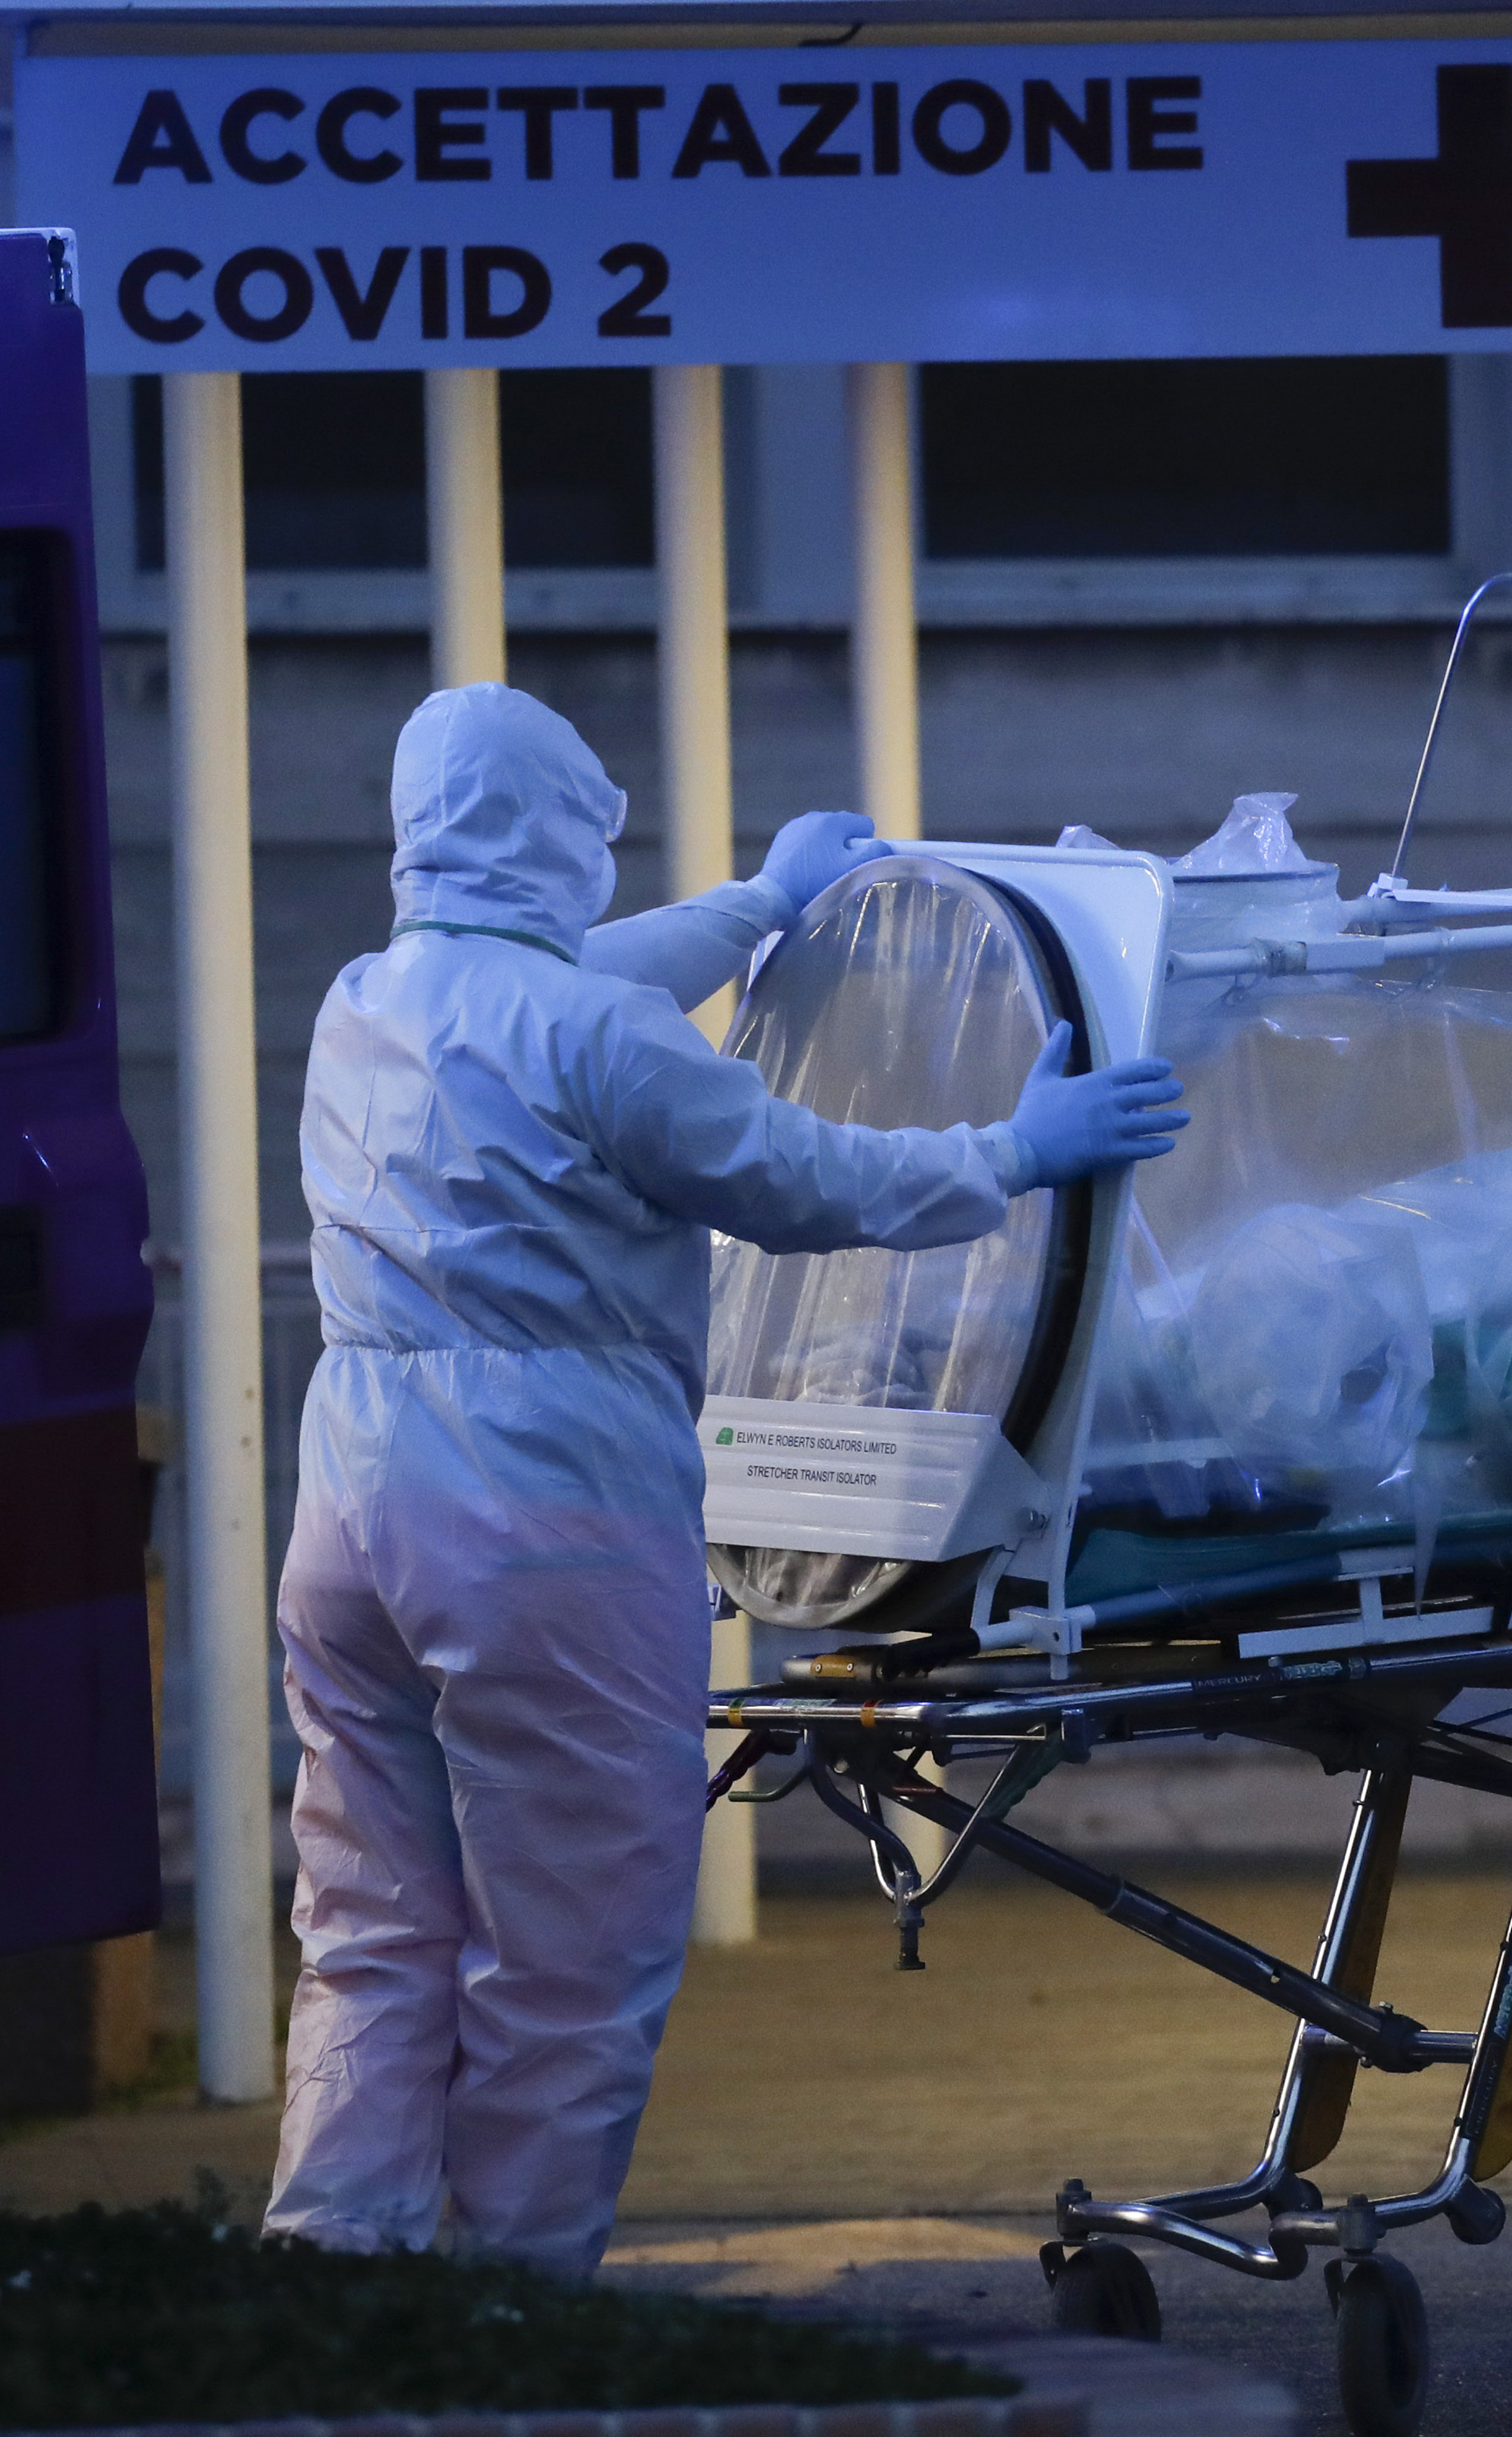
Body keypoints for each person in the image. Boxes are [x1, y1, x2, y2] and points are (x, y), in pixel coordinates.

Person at [265, 684, 1184, 2279]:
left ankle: (337, 2273)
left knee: (372, 1924)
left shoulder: (371, 1000)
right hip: (539, 1515)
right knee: (571, 1944)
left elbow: (566, 989)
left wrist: (763, 902)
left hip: (347, 1508)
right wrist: (1021, 1149)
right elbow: (803, 1177)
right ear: (563, 830)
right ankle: (511, 2311)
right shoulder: (597, 1036)